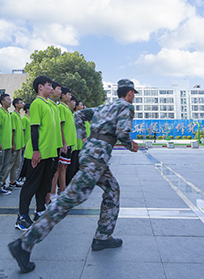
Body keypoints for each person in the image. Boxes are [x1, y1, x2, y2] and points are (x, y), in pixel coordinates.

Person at [9, 79, 139, 273]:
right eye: (133, 94)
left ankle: (103, 236)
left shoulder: (105, 107)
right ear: (129, 93)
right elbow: (122, 131)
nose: (133, 97)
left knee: (112, 190)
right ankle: (24, 243)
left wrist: (85, 138)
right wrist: (131, 145)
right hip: (97, 157)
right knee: (70, 198)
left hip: (92, 154)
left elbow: (79, 117)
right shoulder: (126, 107)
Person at [15, 76, 56, 231]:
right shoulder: (37, 104)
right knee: (30, 186)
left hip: (48, 153)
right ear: (40, 87)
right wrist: (36, 151)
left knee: (44, 185)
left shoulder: (48, 105)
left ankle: (40, 210)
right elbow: (34, 129)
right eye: (49, 85)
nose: (51, 88)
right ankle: (22, 217)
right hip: (38, 153)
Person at [47, 81, 65, 205]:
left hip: (56, 144)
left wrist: (62, 142)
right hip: (48, 146)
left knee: (54, 171)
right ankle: (49, 196)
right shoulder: (47, 105)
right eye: (58, 89)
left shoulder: (55, 106)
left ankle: (50, 196)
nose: (60, 91)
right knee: (50, 173)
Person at [58, 87, 76, 194]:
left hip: (69, 143)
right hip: (64, 143)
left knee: (64, 167)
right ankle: (59, 190)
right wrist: (63, 143)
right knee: (59, 168)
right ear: (63, 95)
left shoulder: (67, 109)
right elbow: (60, 126)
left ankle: (63, 188)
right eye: (68, 94)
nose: (70, 97)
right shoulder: (61, 107)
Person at [4, 98, 25, 191]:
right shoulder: (14, 116)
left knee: (17, 164)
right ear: (16, 104)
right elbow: (13, 130)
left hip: (20, 144)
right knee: (10, 164)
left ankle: (13, 181)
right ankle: (3, 182)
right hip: (15, 144)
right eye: (21, 103)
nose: (23, 104)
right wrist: (13, 143)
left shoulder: (18, 115)